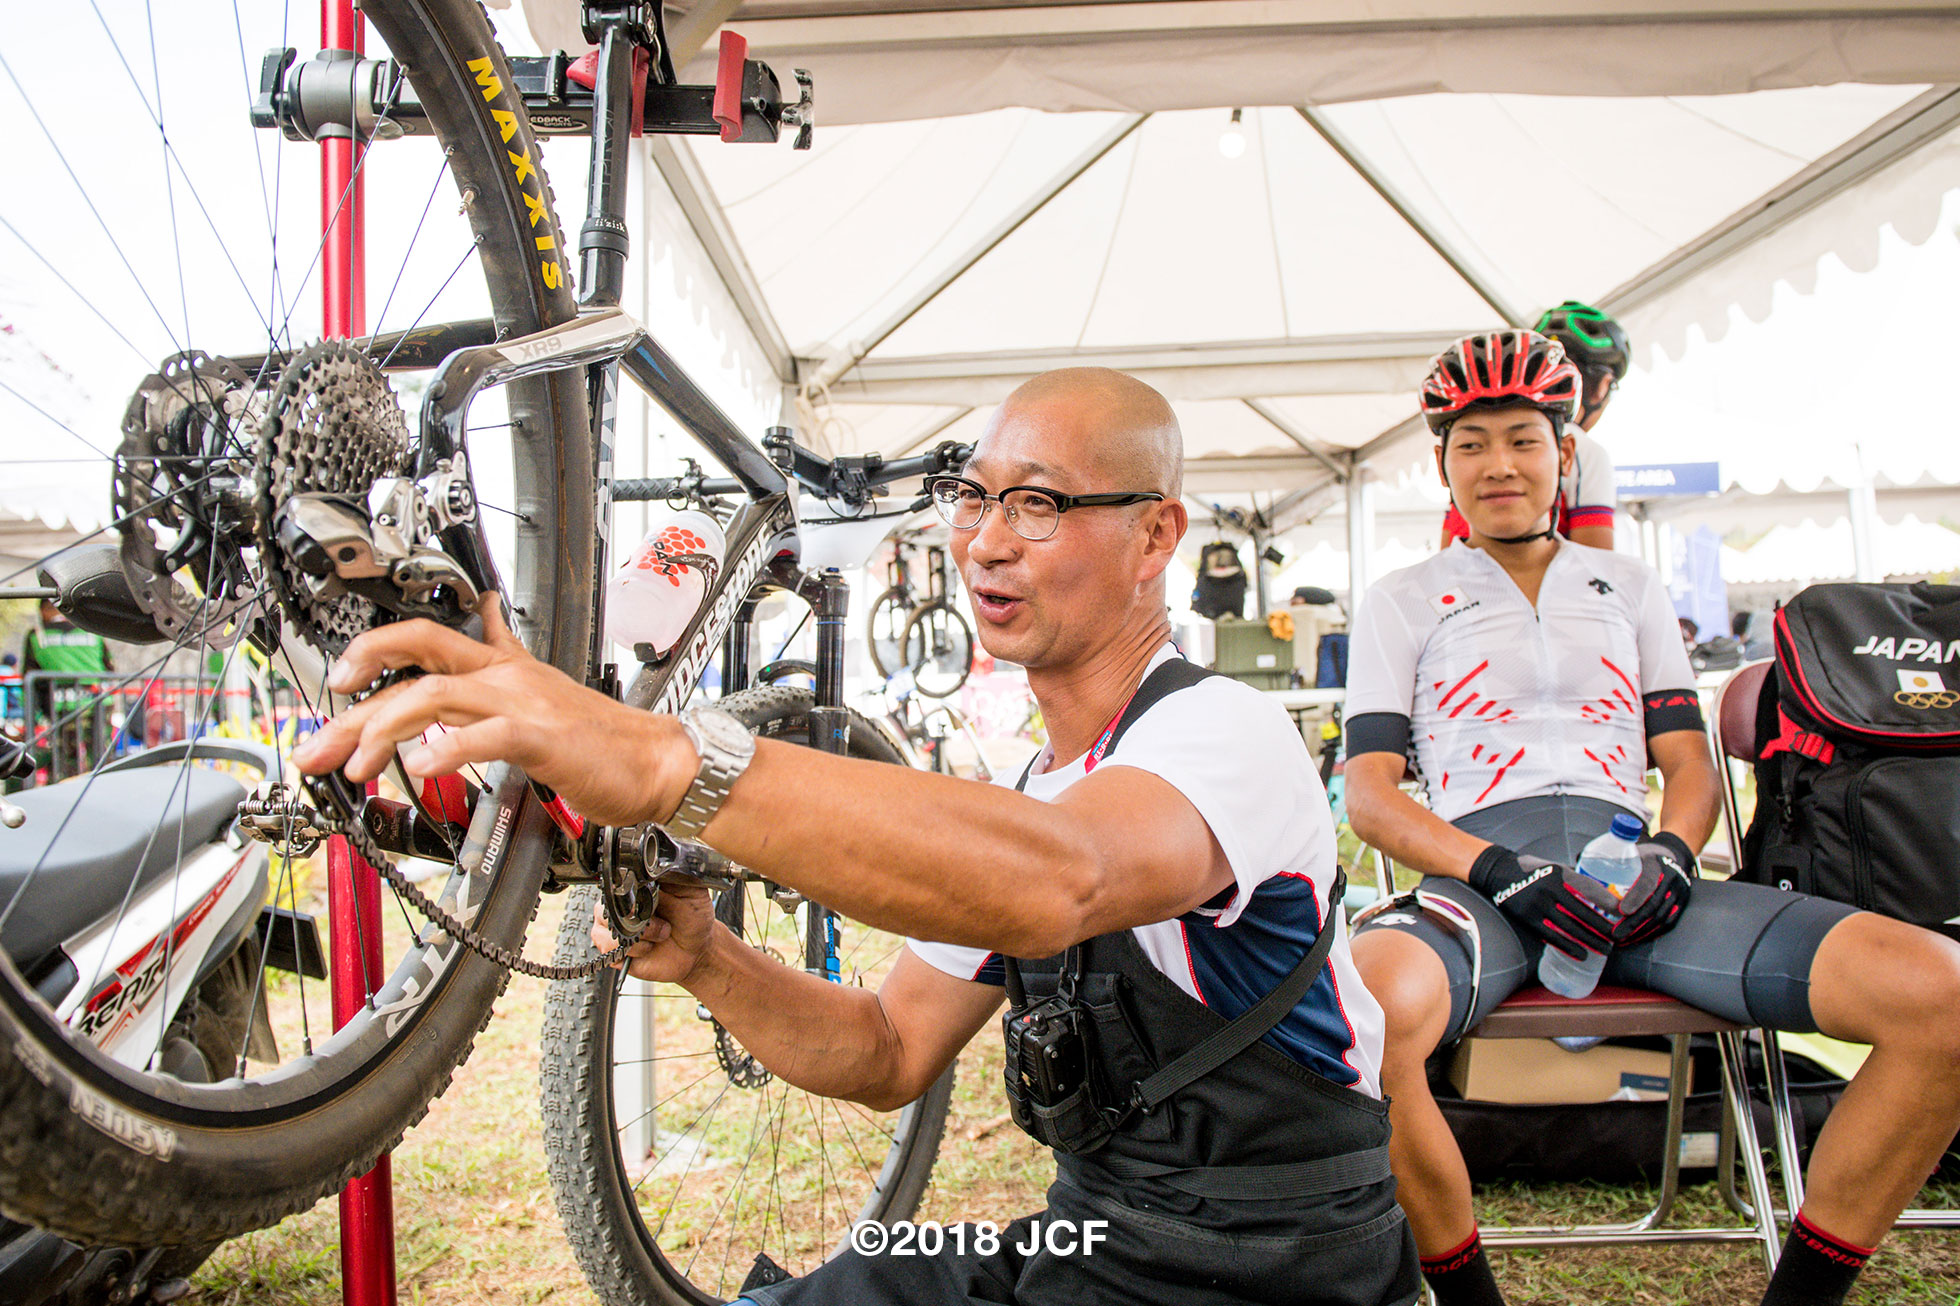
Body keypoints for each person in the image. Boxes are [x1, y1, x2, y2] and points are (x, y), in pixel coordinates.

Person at [293, 367, 1422, 1306]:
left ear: (1154, 535)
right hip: (1093, 1244)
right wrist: (707, 959)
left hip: (1271, 1271)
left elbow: (1059, 879)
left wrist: (657, 759)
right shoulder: (1041, 781)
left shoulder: (1222, 731)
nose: (985, 542)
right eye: (970, 499)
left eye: (1036, 504)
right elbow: (886, 1048)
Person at [1345, 329, 1960, 1306]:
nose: (1498, 463)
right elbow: (1368, 794)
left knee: (1942, 994)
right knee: (1357, 1020)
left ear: (1563, 455)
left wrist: (1672, 853)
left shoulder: (1627, 586)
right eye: (1471, 443)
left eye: (1521, 439)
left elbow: (1684, 761)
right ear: (1439, 463)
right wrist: (1499, 871)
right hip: (1479, 891)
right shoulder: (1400, 599)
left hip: (1637, 880)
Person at [1438, 301, 1628, 553]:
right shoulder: (1585, 451)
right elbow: (1596, 573)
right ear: (1602, 387)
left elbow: (1449, 551)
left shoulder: (1474, 449)